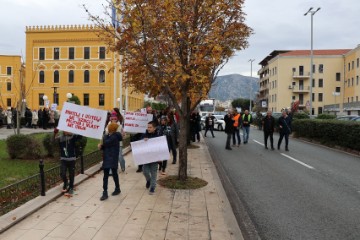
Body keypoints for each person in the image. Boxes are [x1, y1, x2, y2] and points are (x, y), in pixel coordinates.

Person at [98, 122, 123, 201]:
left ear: (111, 129)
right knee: (110, 174)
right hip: (108, 157)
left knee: (109, 175)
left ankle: (107, 192)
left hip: (111, 158)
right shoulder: (109, 136)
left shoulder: (114, 137)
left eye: (109, 127)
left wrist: (102, 144)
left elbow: (107, 143)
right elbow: (106, 147)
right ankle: (113, 189)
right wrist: (101, 147)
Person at [54, 128, 82, 195]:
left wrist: (71, 133)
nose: (65, 131)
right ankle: (66, 182)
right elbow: (54, 140)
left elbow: (80, 136)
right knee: (62, 173)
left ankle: (71, 187)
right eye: (64, 130)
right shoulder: (61, 137)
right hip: (63, 159)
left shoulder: (73, 137)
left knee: (71, 174)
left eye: (67, 130)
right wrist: (55, 133)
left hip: (72, 159)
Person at [143, 121, 160, 194]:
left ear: (154, 128)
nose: (148, 129)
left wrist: (161, 157)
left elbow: (162, 146)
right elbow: (139, 143)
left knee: (154, 173)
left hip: (155, 157)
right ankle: (148, 180)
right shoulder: (145, 135)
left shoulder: (158, 135)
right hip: (146, 157)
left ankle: (152, 187)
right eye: (148, 127)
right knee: (145, 171)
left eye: (150, 127)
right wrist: (143, 140)